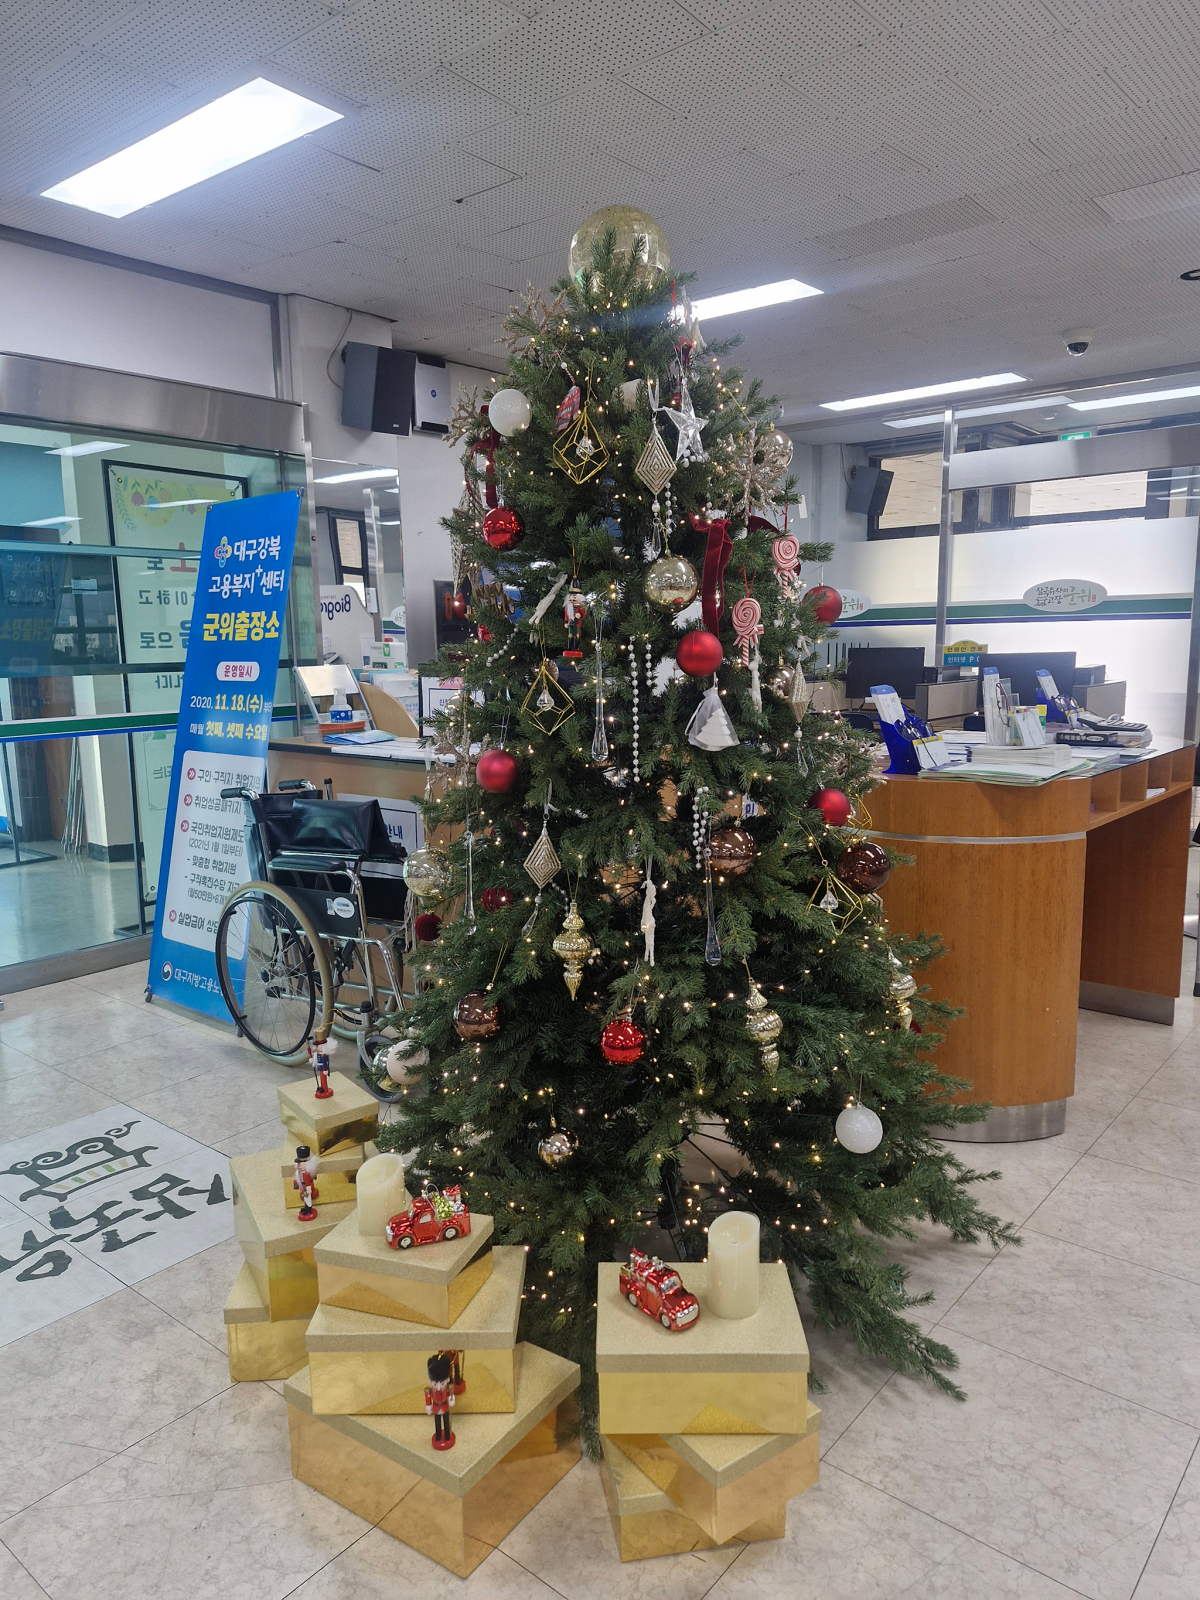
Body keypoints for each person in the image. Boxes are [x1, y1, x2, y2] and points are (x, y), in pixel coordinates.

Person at [425, 1352, 456, 1449]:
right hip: (436, 1407)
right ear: (430, 1382)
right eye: (435, 1384)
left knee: (446, 1422)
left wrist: (451, 1400)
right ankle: (438, 1435)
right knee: (437, 1422)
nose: (438, 1387)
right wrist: (429, 1407)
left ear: (446, 1380)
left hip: (445, 1406)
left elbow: (451, 1395)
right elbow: (428, 1399)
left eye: (441, 1383)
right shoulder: (430, 1391)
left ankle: (447, 1435)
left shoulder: (448, 1388)